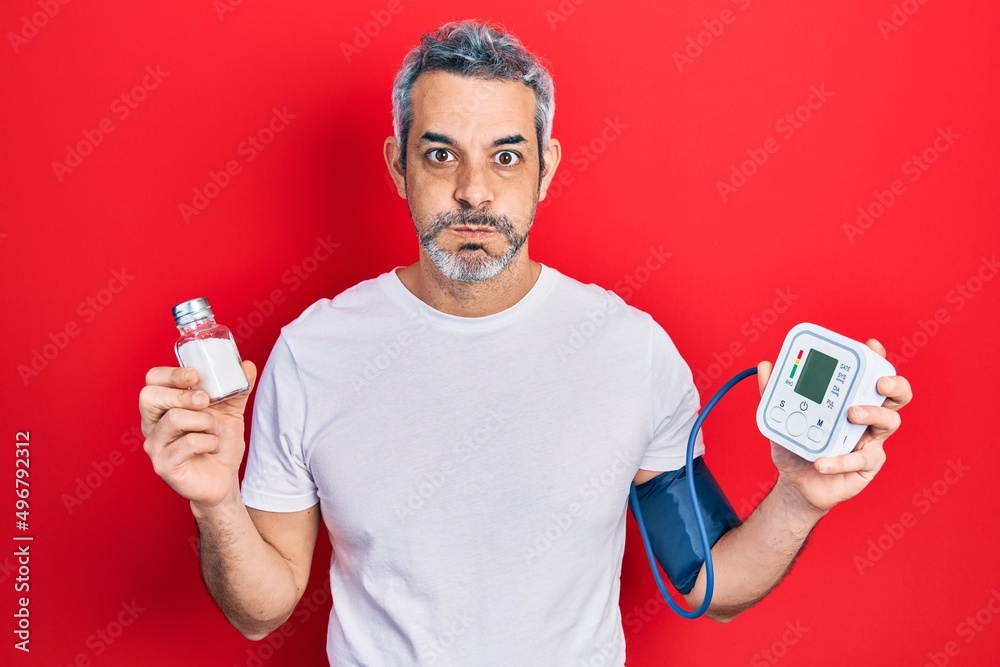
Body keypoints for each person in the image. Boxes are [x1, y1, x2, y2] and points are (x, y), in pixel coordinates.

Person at [140, 20, 912, 666]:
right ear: (397, 167)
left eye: (506, 156)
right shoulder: (314, 351)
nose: (474, 190)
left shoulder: (630, 351)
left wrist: (799, 499)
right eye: (441, 154)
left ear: (545, 170)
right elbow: (260, 611)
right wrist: (215, 504)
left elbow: (705, 580)